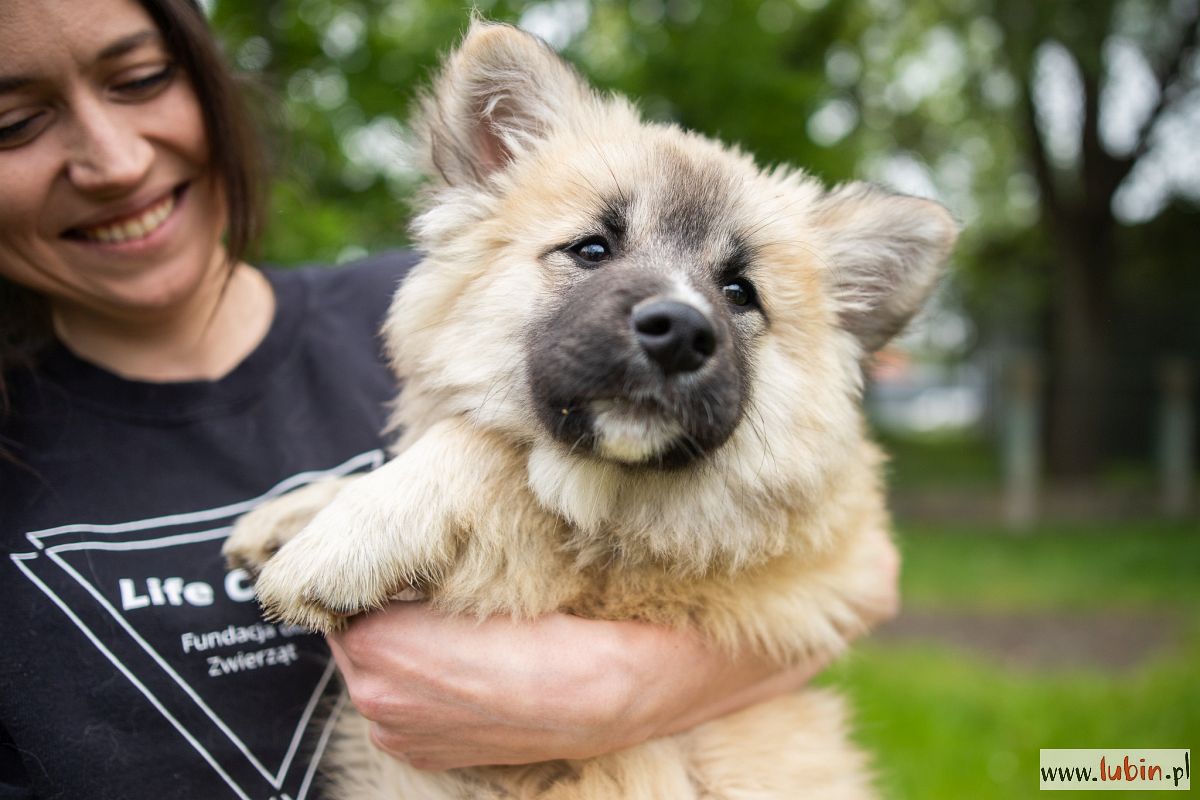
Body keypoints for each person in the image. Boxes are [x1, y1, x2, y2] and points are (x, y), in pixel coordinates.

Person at [0, 0, 900, 798]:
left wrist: (616, 691)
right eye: (13, 121)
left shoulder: (386, 309)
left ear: (205, 71)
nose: (112, 162)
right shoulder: (464, 302)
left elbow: (854, 565)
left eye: (142, 77)